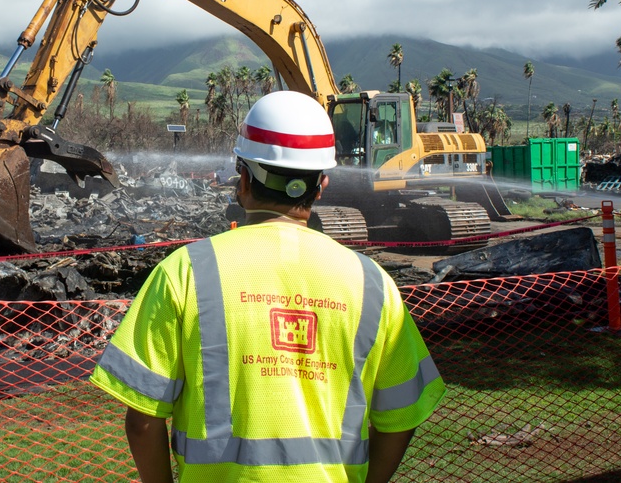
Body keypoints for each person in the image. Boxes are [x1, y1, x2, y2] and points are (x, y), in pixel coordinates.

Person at [90, 90, 445, 483]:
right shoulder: (373, 284)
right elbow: (401, 417)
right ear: (322, 183)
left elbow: (142, 422)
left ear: (243, 177)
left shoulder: (186, 272)